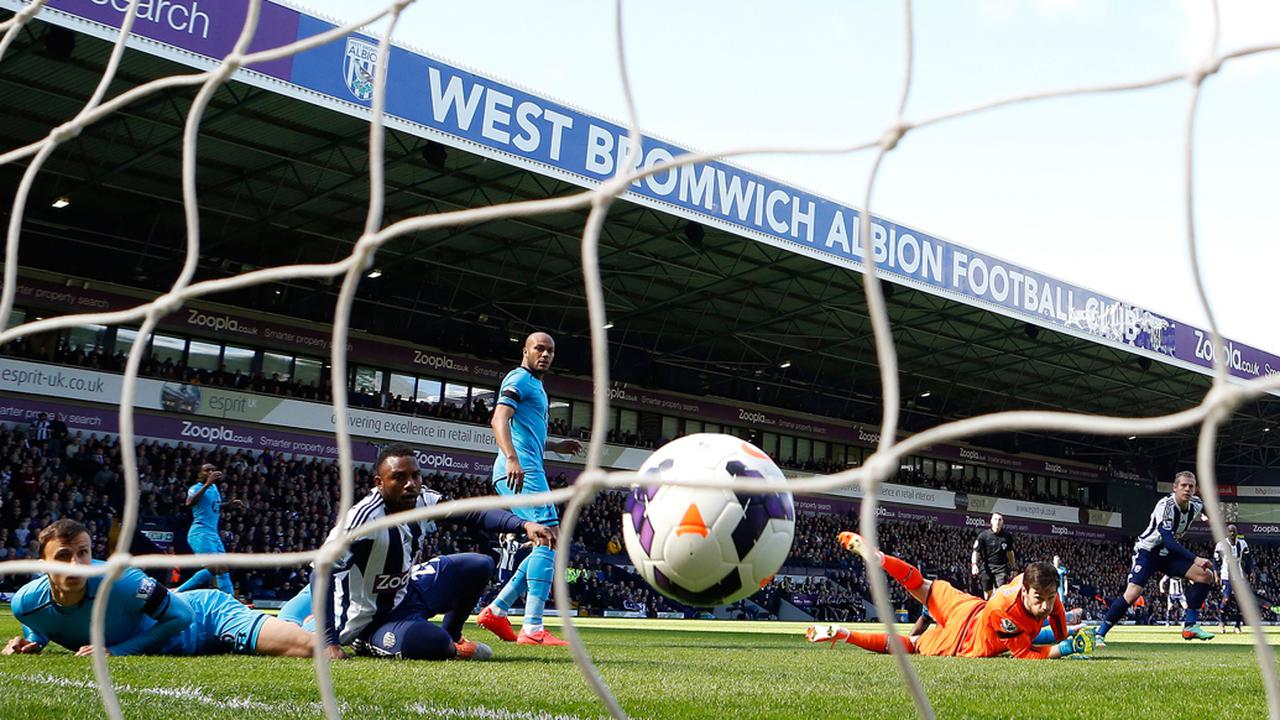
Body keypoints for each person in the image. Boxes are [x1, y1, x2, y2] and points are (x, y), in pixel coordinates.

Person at [278, 444, 554, 661]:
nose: (411, 483)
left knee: (479, 564)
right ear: (379, 483)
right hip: (370, 616)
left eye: (415, 475)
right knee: (429, 644)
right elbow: (322, 572)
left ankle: (452, 637)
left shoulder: (423, 499)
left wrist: (523, 524)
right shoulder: (363, 520)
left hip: (407, 590)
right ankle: (373, 640)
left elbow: (472, 512)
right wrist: (329, 642)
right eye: (399, 478)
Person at [1, 519, 313, 658]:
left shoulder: (121, 580)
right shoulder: (26, 605)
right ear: (43, 566)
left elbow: (183, 615)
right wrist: (33, 642)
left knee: (313, 649)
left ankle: (310, 601)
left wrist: (117, 651)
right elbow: (42, 625)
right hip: (188, 635)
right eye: (63, 556)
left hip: (207, 617)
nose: (76, 564)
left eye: (83, 553)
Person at [806, 531, 1092, 660]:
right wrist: (1067, 649)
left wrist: (1066, 634)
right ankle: (844, 634)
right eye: (1039, 599)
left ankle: (882, 559)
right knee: (911, 645)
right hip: (962, 640)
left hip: (967, 606)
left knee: (925, 587)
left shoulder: (1035, 584)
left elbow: (1053, 617)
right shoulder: (1005, 613)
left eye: (1050, 598)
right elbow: (1027, 654)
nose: (1045, 605)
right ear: (1025, 592)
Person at [478, 332, 582, 647]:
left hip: (529, 470)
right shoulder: (519, 379)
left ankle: (497, 610)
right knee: (550, 537)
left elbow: (528, 432)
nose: (546, 354)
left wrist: (556, 444)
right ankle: (532, 627)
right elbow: (499, 419)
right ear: (525, 350)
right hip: (521, 472)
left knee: (544, 541)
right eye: (539, 348)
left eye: (550, 350)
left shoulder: (536, 386)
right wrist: (511, 458)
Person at [1095, 471, 1217, 645]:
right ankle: (1100, 634)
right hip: (1148, 552)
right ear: (1175, 488)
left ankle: (1190, 626)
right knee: (1132, 595)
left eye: (1191, 486)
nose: (1187, 489)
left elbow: (1204, 506)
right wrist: (1195, 558)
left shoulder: (1195, 504)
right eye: (1183, 485)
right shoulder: (1165, 506)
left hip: (1168, 555)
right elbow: (1168, 540)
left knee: (1206, 576)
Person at [174, 463, 242, 595]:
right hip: (200, 532)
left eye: (212, 470)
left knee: (223, 568)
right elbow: (189, 503)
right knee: (214, 567)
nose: (210, 472)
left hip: (213, 534)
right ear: (200, 473)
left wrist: (229, 504)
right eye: (207, 470)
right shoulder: (196, 488)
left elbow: (212, 506)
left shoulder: (214, 488)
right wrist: (206, 484)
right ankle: (178, 591)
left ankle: (231, 601)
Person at [1214, 524, 1253, 634]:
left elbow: (1248, 558)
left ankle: (1237, 625)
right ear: (1227, 533)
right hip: (1226, 575)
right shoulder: (1221, 545)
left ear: (1236, 532)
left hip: (1239, 576)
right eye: (1230, 531)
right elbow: (1215, 561)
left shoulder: (1242, 543)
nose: (1232, 533)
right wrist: (1216, 574)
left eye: (1234, 531)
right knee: (1227, 599)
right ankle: (1221, 622)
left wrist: (1251, 571)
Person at [971, 512, 1016, 599]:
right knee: (988, 594)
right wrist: (974, 565)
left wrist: (1013, 566)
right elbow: (976, 551)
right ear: (991, 521)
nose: (997, 522)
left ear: (1002, 522)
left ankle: (996, 608)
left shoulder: (1007, 536)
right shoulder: (983, 536)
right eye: (995, 519)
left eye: (1000, 520)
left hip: (1001, 568)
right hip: (987, 567)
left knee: (999, 591)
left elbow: (1010, 552)